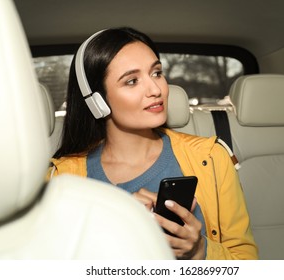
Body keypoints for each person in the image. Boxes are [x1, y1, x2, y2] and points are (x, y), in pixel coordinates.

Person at [48, 27, 258, 260]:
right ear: (97, 101)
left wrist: (200, 251)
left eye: (157, 73)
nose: (156, 90)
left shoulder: (212, 157)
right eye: (132, 81)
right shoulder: (60, 180)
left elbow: (246, 261)